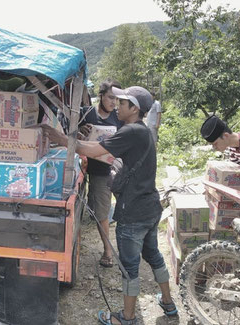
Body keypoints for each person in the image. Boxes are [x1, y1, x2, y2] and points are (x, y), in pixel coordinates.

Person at [42, 86, 175, 325]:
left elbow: (94, 150)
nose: (117, 105)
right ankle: (168, 303)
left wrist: (63, 139)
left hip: (133, 211)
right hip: (150, 207)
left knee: (129, 266)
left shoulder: (132, 131)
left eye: (122, 103)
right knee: (153, 254)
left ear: (134, 109)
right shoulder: (142, 131)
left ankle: (127, 317)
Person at [79, 80, 124, 268]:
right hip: (91, 170)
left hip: (110, 170)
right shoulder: (87, 113)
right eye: (110, 98)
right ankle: (107, 249)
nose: (113, 102)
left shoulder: (119, 117)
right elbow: (72, 133)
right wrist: (80, 131)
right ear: (101, 96)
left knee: (112, 211)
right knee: (98, 209)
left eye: (116, 99)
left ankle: (116, 248)